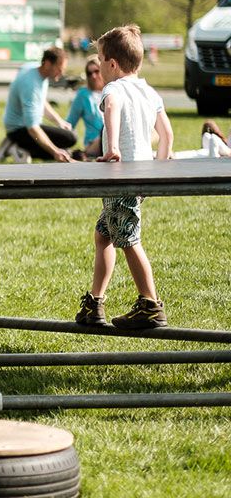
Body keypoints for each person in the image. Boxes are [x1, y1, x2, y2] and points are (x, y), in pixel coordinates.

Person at [75, 25, 173, 330]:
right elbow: (166, 134)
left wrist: (113, 147)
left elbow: (113, 109)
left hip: (121, 176)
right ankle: (96, 302)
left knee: (129, 240)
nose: (99, 67)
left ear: (112, 63)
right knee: (104, 233)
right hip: (141, 175)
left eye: (101, 60)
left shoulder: (113, 90)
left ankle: (150, 304)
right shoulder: (149, 91)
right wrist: (160, 166)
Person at [2, 47, 77, 162]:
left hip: (24, 126)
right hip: (19, 130)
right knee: (68, 141)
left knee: (69, 137)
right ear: (47, 64)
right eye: (59, 69)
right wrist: (55, 151)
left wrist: (59, 122)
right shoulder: (30, 85)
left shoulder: (35, 70)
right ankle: (18, 148)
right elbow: (32, 128)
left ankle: (22, 147)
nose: (61, 73)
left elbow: (40, 101)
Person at [66, 56, 105, 159]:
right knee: (106, 132)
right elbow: (70, 123)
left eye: (97, 71)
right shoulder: (83, 95)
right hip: (94, 144)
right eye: (89, 73)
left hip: (113, 139)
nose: (93, 76)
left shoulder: (112, 91)